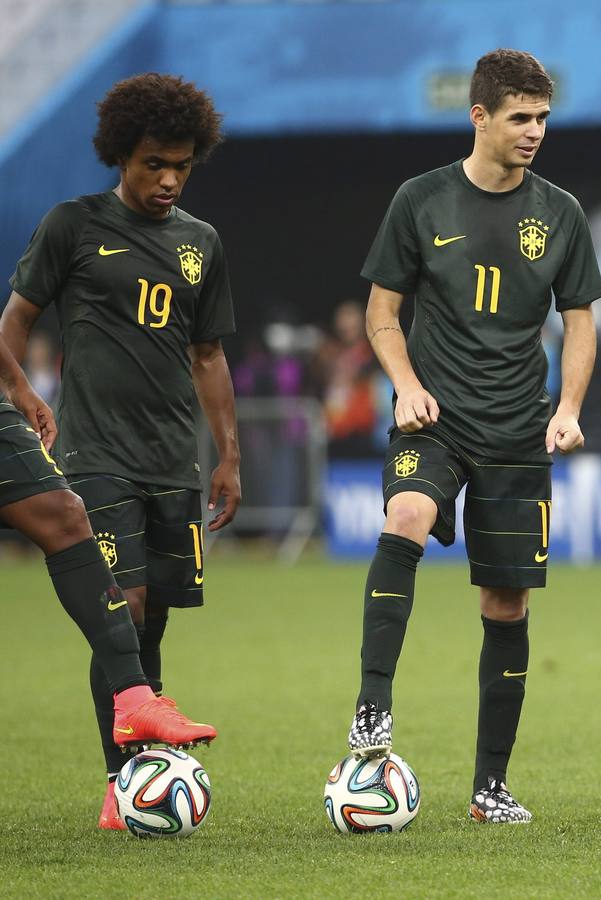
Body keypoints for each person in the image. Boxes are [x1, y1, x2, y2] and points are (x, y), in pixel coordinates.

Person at [347, 48, 601, 825]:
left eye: (543, 119)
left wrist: (568, 406)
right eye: (521, 118)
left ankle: (490, 788)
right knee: (407, 518)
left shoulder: (560, 214)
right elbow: (382, 314)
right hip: (437, 420)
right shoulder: (420, 201)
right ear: (480, 117)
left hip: (518, 432)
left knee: (506, 603)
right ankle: (372, 708)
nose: (535, 132)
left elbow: (581, 323)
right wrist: (408, 386)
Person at [2, 73, 238, 831]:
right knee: (123, 605)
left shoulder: (202, 243)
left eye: (181, 165)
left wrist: (228, 453)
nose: (167, 179)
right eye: (152, 164)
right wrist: (22, 395)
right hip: (95, 453)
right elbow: (15, 322)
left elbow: (207, 355)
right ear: (120, 156)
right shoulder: (73, 225)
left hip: (174, 457)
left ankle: (143, 767)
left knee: (153, 619)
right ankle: (120, 782)